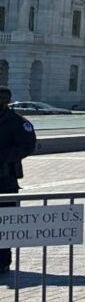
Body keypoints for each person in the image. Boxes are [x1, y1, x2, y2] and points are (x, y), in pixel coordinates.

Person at [0, 86, 37, 275]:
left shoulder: (17, 122)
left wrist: (5, 157)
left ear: (8, 100)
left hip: (5, 178)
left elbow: (28, 145)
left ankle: (2, 261)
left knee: (5, 221)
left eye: (4, 97)